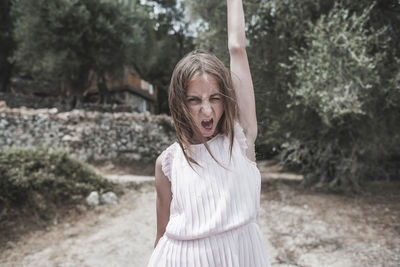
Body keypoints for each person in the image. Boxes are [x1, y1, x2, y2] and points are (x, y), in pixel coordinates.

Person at [147, 0, 271, 266]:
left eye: (214, 97)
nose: (206, 111)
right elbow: (161, 235)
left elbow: (237, 48)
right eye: (194, 100)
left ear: (225, 99)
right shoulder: (167, 163)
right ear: (180, 103)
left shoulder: (240, 139)